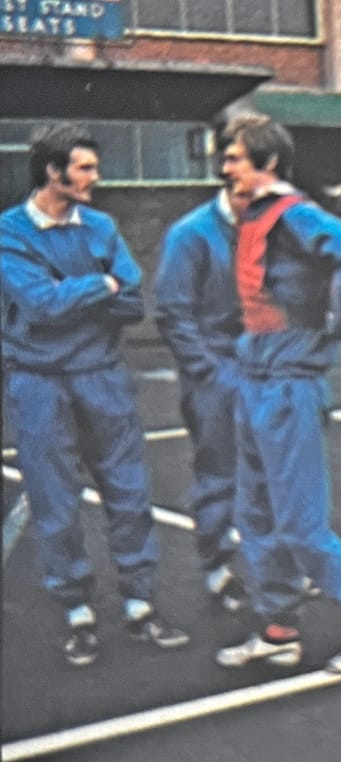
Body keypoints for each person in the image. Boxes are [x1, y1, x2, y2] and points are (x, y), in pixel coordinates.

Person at [214, 114, 341, 673]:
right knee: (257, 515)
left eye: (236, 157)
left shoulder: (293, 214)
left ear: (267, 165)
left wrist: (337, 326)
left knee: (299, 522)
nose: (225, 166)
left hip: (289, 383)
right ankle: (278, 630)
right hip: (256, 380)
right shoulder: (252, 218)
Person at [0, 122, 189, 666]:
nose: (94, 177)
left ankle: (139, 604)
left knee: (129, 493)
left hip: (102, 375)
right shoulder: (11, 232)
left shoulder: (100, 226)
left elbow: (131, 300)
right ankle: (77, 613)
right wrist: (97, 286)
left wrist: (78, 294)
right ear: (52, 172)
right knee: (55, 501)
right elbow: (40, 305)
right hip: (38, 381)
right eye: (84, 168)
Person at [153, 176, 253, 614]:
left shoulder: (269, 226)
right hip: (215, 368)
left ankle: (273, 567)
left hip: (261, 364)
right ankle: (218, 569)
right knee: (218, 472)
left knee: (272, 469)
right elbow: (171, 311)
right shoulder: (190, 234)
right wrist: (207, 370)